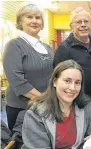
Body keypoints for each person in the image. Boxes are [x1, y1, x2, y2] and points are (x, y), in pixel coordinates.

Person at [14, 60, 91, 149]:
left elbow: (89, 139)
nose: (72, 88)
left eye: (77, 83)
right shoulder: (36, 113)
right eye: (67, 81)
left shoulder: (86, 106)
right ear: (54, 82)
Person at [3, 2, 54, 131]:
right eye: (29, 17)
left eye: (38, 17)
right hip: (22, 108)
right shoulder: (14, 45)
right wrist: (43, 100)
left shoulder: (47, 48)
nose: (34, 21)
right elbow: (17, 81)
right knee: (23, 147)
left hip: (45, 106)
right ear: (20, 21)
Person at [53, 7, 91, 121]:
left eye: (86, 21)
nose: (83, 25)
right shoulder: (64, 49)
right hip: (73, 106)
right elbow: (57, 79)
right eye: (78, 22)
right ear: (71, 26)